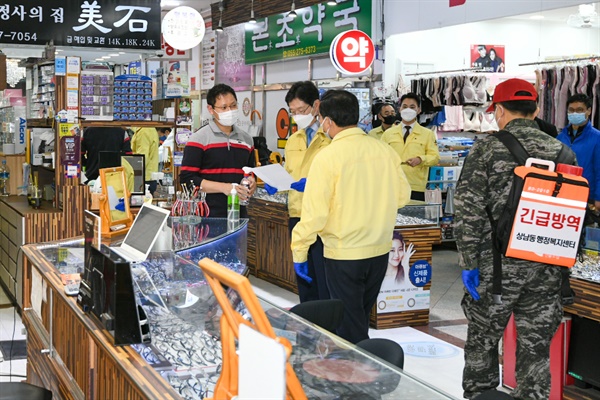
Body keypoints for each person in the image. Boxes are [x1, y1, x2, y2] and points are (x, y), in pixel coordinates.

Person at [454, 78, 577, 399]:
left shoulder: (486, 148)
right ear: (536, 109)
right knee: (536, 353)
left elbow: (469, 213)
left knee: (482, 345)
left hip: (496, 271)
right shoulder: (563, 152)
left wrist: (468, 263)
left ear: (499, 111)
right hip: (546, 269)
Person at [290, 89, 411, 344]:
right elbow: (402, 196)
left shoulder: (328, 157)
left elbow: (314, 215)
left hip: (344, 254)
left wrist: (299, 251)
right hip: (379, 252)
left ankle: (356, 376)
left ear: (328, 122)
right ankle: (359, 371)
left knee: (348, 327)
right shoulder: (384, 151)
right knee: (360, 317)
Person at [263, 81, 331, 302]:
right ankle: (310, 326)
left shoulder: (331, 137)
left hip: (324, 218)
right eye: (293, 112)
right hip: (297, 214)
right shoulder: (294, 139)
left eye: (301, 110)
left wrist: (311, 183)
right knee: (305, 281)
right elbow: (290, 174)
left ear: (316, 105)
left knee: (324, 279)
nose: (297, 116)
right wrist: (277, 183)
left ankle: (328, 329)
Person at [179, 83, 256, 217]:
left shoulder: (247, 140)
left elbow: (250, 172)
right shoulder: (199, 139)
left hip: (238, 213)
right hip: (207, 215)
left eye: (233, 106)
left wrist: (252, 182)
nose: (229, 111)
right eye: (224, 107)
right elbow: (187, 181)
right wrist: (225, 188)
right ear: (210, 109)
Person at [381, 93, 440, 201]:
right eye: (405, 106)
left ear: (419, 110)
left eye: (412, 107)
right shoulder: (388, 134)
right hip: (392, 186)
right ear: (399, 109)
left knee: (414, 217)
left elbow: (435, 157)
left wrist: (420, 159)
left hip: (416, 186)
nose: (408, 110)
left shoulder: (427, 134)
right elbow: (379, 157)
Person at [556, 93, 600, 211]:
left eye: (579, 110)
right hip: (562, 192)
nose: (575, 113)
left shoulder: (597, 138)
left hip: (586, 195)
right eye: (571, 110)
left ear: (589, 111)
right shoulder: (560, 137)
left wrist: (598, 197)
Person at [131, 127, 159, 195]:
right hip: (150, 176)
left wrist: (133, 175)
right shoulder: (151, 129)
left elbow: (142, 158)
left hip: (143, 177)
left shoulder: (143, 132)